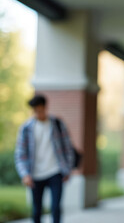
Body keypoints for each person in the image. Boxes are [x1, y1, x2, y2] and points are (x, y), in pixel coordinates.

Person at [15, 95, 74, 223]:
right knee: (37, 210)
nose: (38, 113)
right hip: (35, 175)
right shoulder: (26, 129)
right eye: (35, 111)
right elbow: (20, 154)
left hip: (55, 172)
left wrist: (67, 169)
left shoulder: (57, 124)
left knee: (55, 208)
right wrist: (25, 174)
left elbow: (68, 148)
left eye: (40, 110)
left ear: (46, 108)